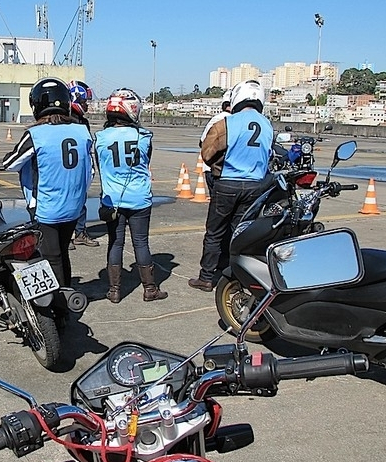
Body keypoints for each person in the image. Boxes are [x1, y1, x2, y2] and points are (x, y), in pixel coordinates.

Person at [2, 77, 93, 326]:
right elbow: (90, 170)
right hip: (74, 205)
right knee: (62, 253)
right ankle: (66, 296)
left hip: (48, 207)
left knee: (50, 257)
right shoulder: (81, 131)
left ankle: (58, 310)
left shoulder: (36, 134)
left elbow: (11, 163)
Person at [188, 80, 274, 292]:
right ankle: (236, 276)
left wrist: (221, 165)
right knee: (240, 232)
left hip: (227, 183)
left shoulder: (227, 122)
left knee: (215, 232)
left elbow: (207, 153)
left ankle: (207, 277)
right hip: (255, 186)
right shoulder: (267, 125)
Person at [95, 88, 167, 303]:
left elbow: (101, 167)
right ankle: (150, 288)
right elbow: (146, 163)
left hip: (112, 200)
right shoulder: (144, 137)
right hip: (139, 198)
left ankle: (115, 290)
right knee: (141, 242)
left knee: (115, 243)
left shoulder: (100, 138)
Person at [67, 80, 99, 249]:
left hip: (81, 167)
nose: (87, 105)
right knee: (66, 202)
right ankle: (66, 237)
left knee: (81, 201)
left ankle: (80, 233)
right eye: (84, 101)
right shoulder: (64, 119)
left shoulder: (82, 121)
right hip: (66, 168)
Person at [200, 96, 232, 195]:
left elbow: (201, 142)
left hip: (209, 168)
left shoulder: (215, 118)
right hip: (222, 172)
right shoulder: (230, 120)